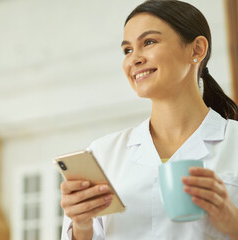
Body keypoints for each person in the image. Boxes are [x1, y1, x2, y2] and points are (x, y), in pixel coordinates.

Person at [60, 0, 238, 239]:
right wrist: (81, 226)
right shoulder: (103, 155)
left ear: (197, 49)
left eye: (149, 42)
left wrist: (232, 222)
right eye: (127, 50)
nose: (134, 59)